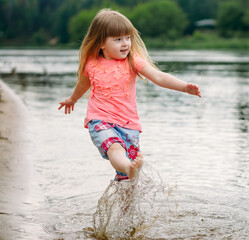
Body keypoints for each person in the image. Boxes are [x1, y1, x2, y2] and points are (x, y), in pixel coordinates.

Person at [58, 9, 201, 181]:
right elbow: (83, 84)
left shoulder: (133, 61)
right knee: (115, 149)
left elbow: (159, 76)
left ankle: (127, 197)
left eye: (127, 38)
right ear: (101, 43)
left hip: (129, 126)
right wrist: (72, 99)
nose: (125, 43)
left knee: (127, 180)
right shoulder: (92, 64)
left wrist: (184, 87)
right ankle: (127, 167)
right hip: (100, 120)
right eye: (118, 39)